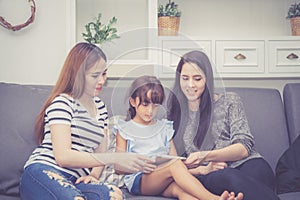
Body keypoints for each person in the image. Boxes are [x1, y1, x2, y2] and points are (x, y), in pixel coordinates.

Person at [19, 42, 156, 200]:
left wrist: (94, 176)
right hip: (44, 172)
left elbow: (100, 153)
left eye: (104, 74)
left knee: (114, 195)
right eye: (95, 75)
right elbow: (63, 156)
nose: (102, 80)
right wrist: (115, 158)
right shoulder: (62, 103)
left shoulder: (100, 108)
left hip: (77, 182)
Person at [167, 50, 280, 200]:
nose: (190, 85)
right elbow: (175, 166)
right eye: (185, 78)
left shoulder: (230, 101)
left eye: (197, 78)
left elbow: (244, 148)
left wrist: (205, 155)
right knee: (229, 177)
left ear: (208, 80)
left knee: (260, 172)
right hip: (211, 173)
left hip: (247, 162)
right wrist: (203, 168)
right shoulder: (176, 112)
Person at [115, 75, 243, 200]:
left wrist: (202, 169)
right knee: (174, 165)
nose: (150, 111)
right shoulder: (125, 129)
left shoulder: (164, 127)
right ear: (132, 101)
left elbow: (177, 164)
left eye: (155, 106)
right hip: (140, 180)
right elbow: (118, 168)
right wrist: (140, 163)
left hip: (164, 177)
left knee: (184, 193)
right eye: (145, 104)